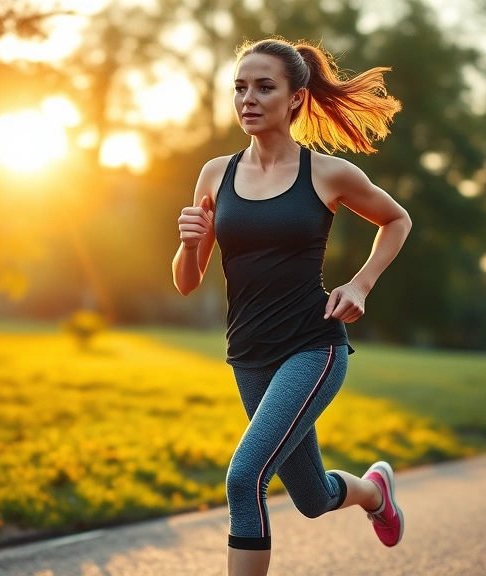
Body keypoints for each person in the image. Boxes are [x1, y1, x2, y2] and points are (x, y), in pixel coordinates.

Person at [171, 37, 412, 576]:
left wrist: (361, 285)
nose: (247, 99)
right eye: (240, 87)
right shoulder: (216, 174)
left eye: (264, 87)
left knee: (245, 477)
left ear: (296, 98)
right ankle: (374, 493)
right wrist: (190, 244)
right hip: (249, 353)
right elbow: (187, 282)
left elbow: (397, 220)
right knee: (310, 496)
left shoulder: (326, 174)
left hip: (313, 345)